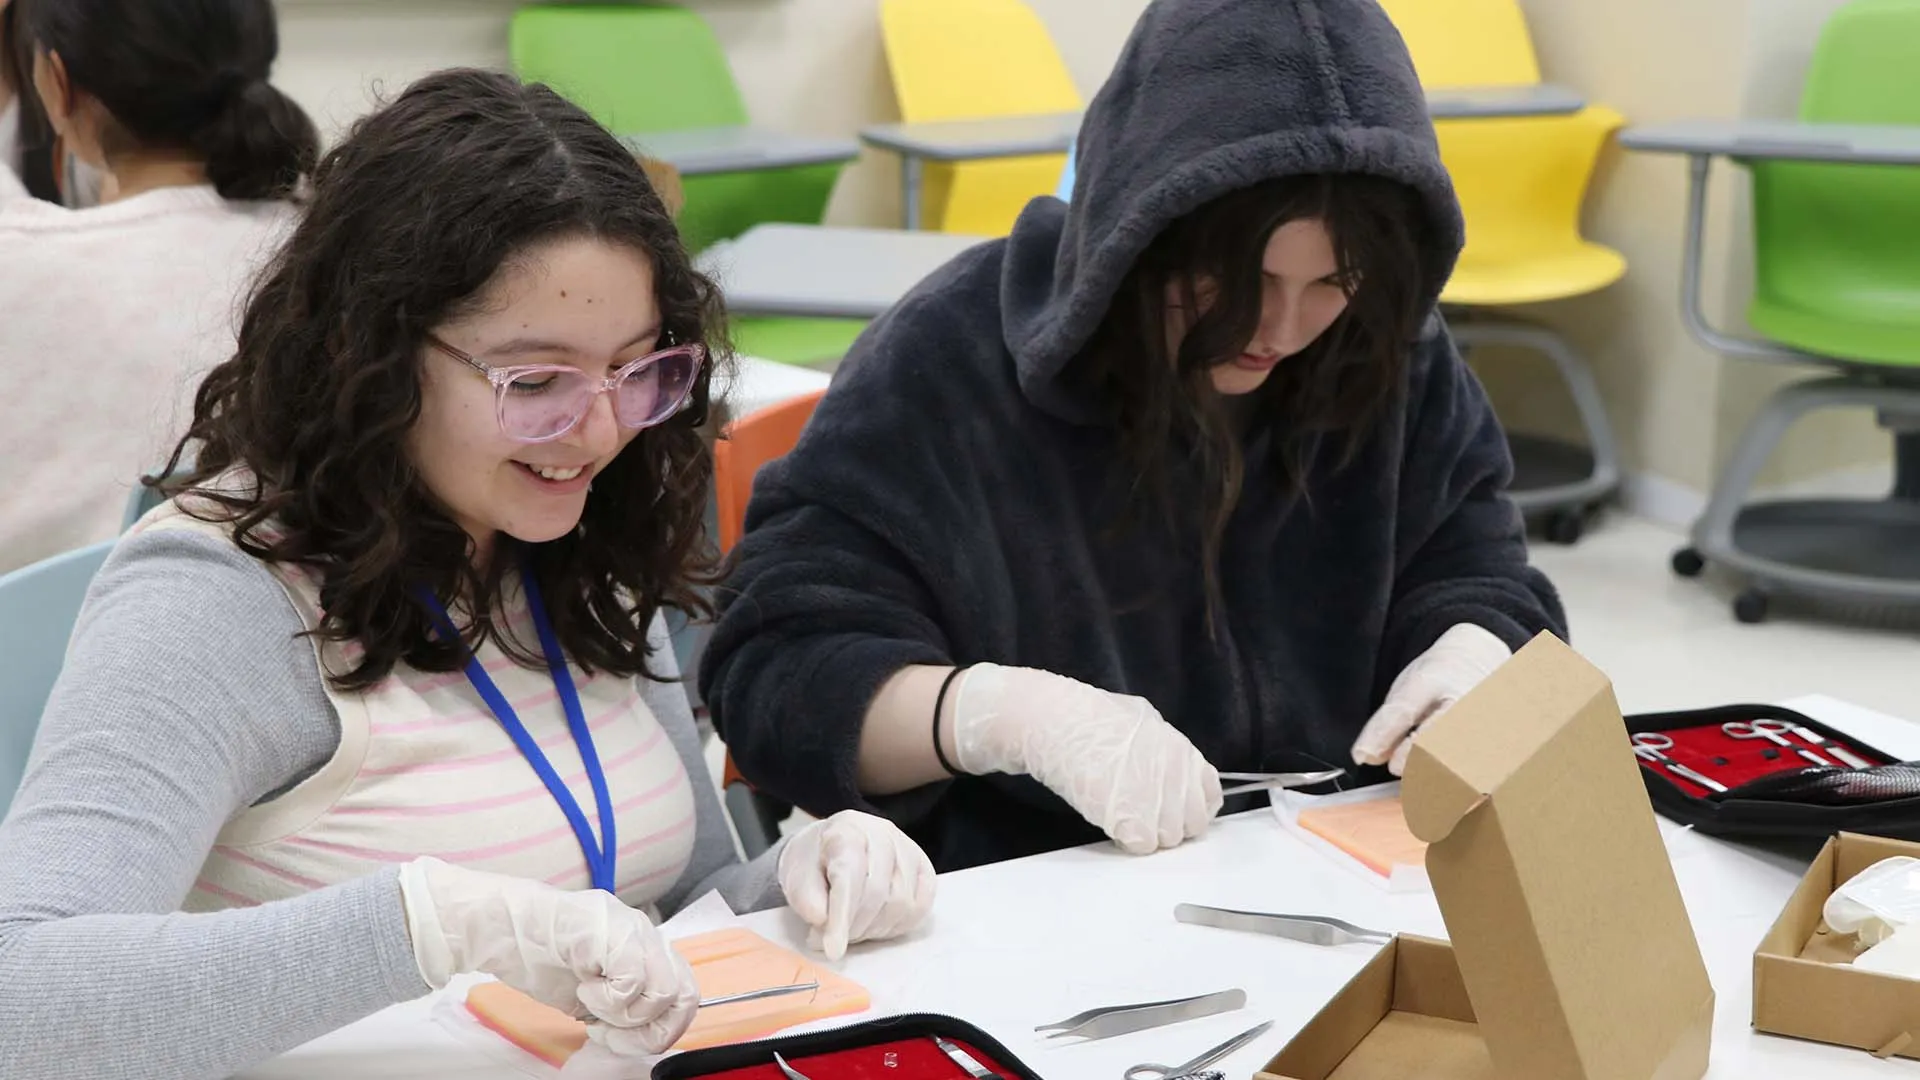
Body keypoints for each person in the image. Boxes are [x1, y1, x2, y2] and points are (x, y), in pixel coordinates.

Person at [0, 69, 936, 1080]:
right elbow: (22, 998)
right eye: (535, 382)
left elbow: (677, 900)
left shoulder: (577, 543)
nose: (599, 429)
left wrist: (806, 876)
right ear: (372, 355)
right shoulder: (217, 597)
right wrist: (422, 930)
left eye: (636, 369)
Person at [699, 0, 1567, 873]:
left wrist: (1477, 648)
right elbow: (775, 673)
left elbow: (1480, 564)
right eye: (1241, 280)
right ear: (1141, 230)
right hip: (1039, 898)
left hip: (1343, 867)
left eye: (1333, 281)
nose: (1282, 327)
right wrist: (991, 716)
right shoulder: (950, 358)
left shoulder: (1387, 345)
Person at [0, 0, 313, 573]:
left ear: (57, 82)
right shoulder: (328, 250)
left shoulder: (19, 265)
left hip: (33, 654)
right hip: (283, 641)